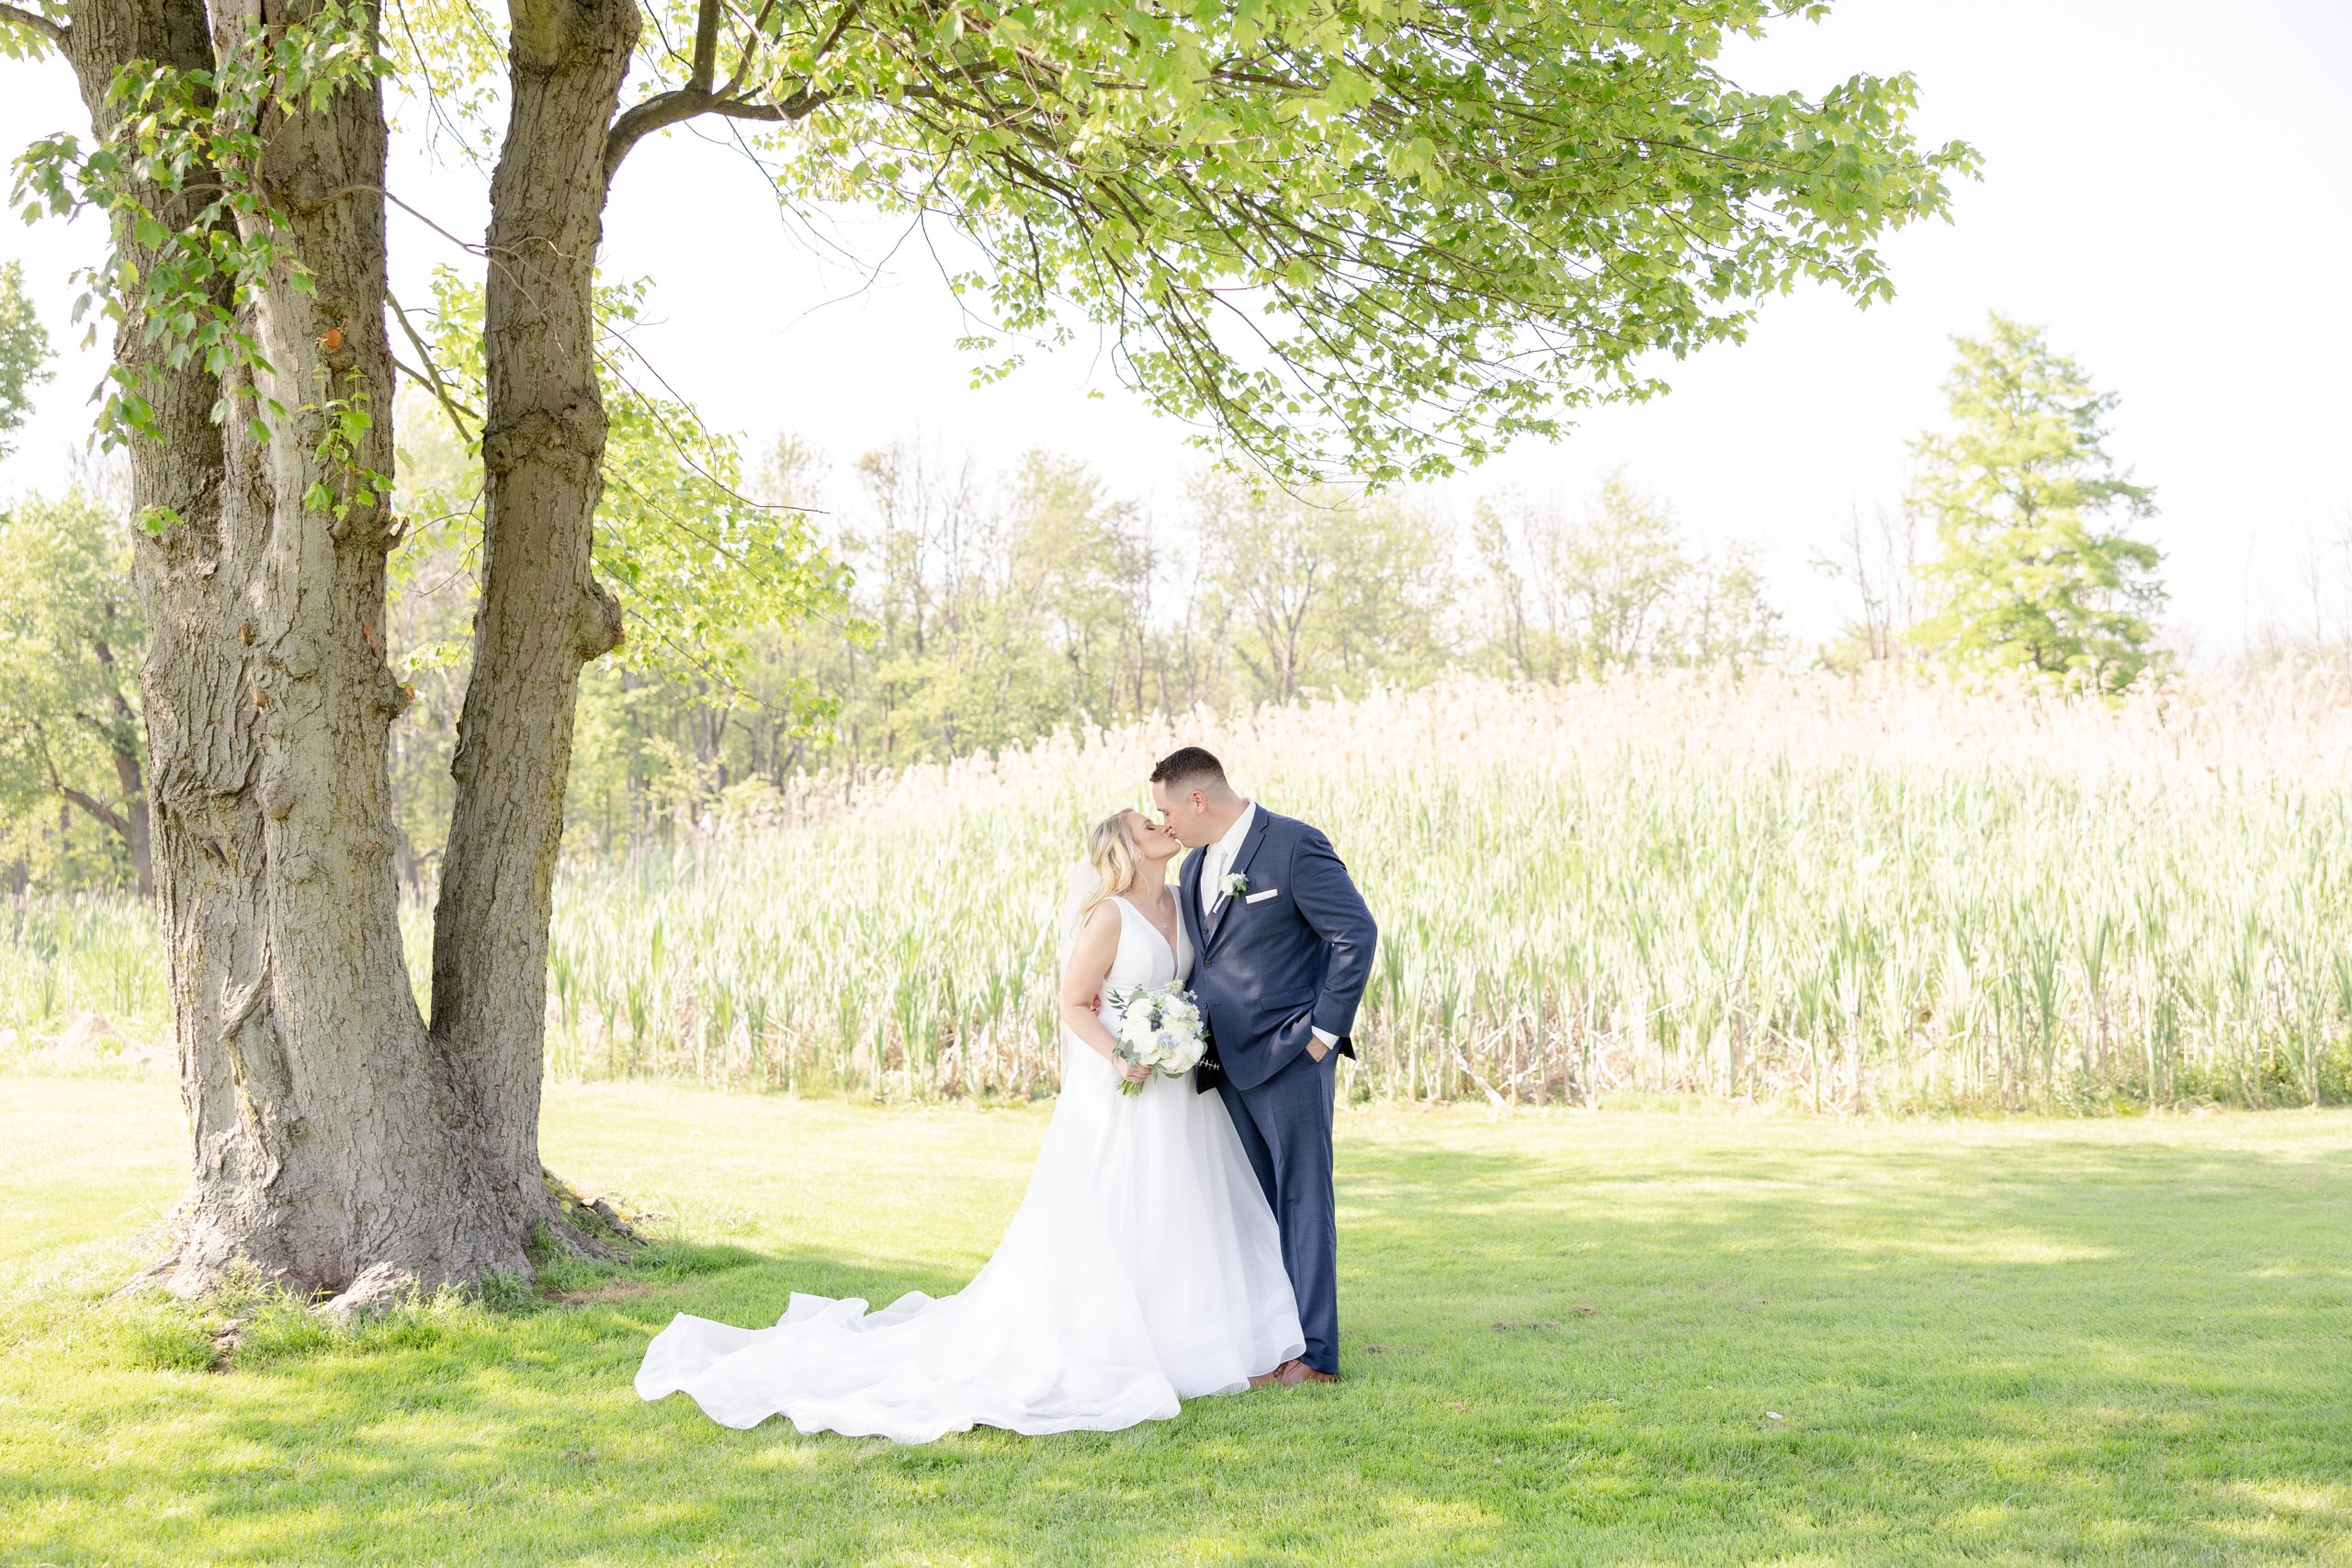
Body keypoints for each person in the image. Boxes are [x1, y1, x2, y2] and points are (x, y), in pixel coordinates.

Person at [634, 807, 1304, 1441]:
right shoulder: (1110, 916)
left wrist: (1177, 1038)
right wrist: (1122, 1053)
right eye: (1144, 822)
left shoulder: (1180, 900)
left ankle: (1194, 1337)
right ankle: (1113, 1342)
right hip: (1124, 1083)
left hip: (1179, 1088)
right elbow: (1073, 1003)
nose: (1162, 826)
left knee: (1181, 1208)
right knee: (1120, 1210)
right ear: (1124, 848)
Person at [1150, 746, 1377, 1384]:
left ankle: (1316, 1355)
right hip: (1225, 1065)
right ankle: (1273, 1339)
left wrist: (1323, 1033)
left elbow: (1354, 933)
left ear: (1198, 799)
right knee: (1255, 1205)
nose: (1163, 822)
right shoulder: (1195, 866)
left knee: (1303, 1199)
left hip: (1290, 1055)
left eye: (1166, 809)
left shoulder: (1294, 845)